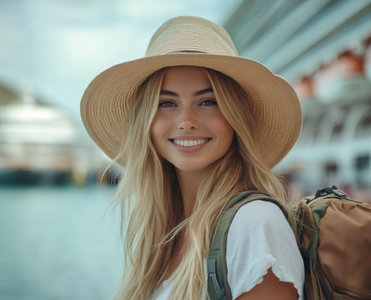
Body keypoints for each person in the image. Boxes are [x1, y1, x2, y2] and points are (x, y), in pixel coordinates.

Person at [80, 16, 304, 300]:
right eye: (167, 103)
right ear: (146, 122)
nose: (186, 121)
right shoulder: (163, 234)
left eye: (208, 101)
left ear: (235, 118)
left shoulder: (255, 224)